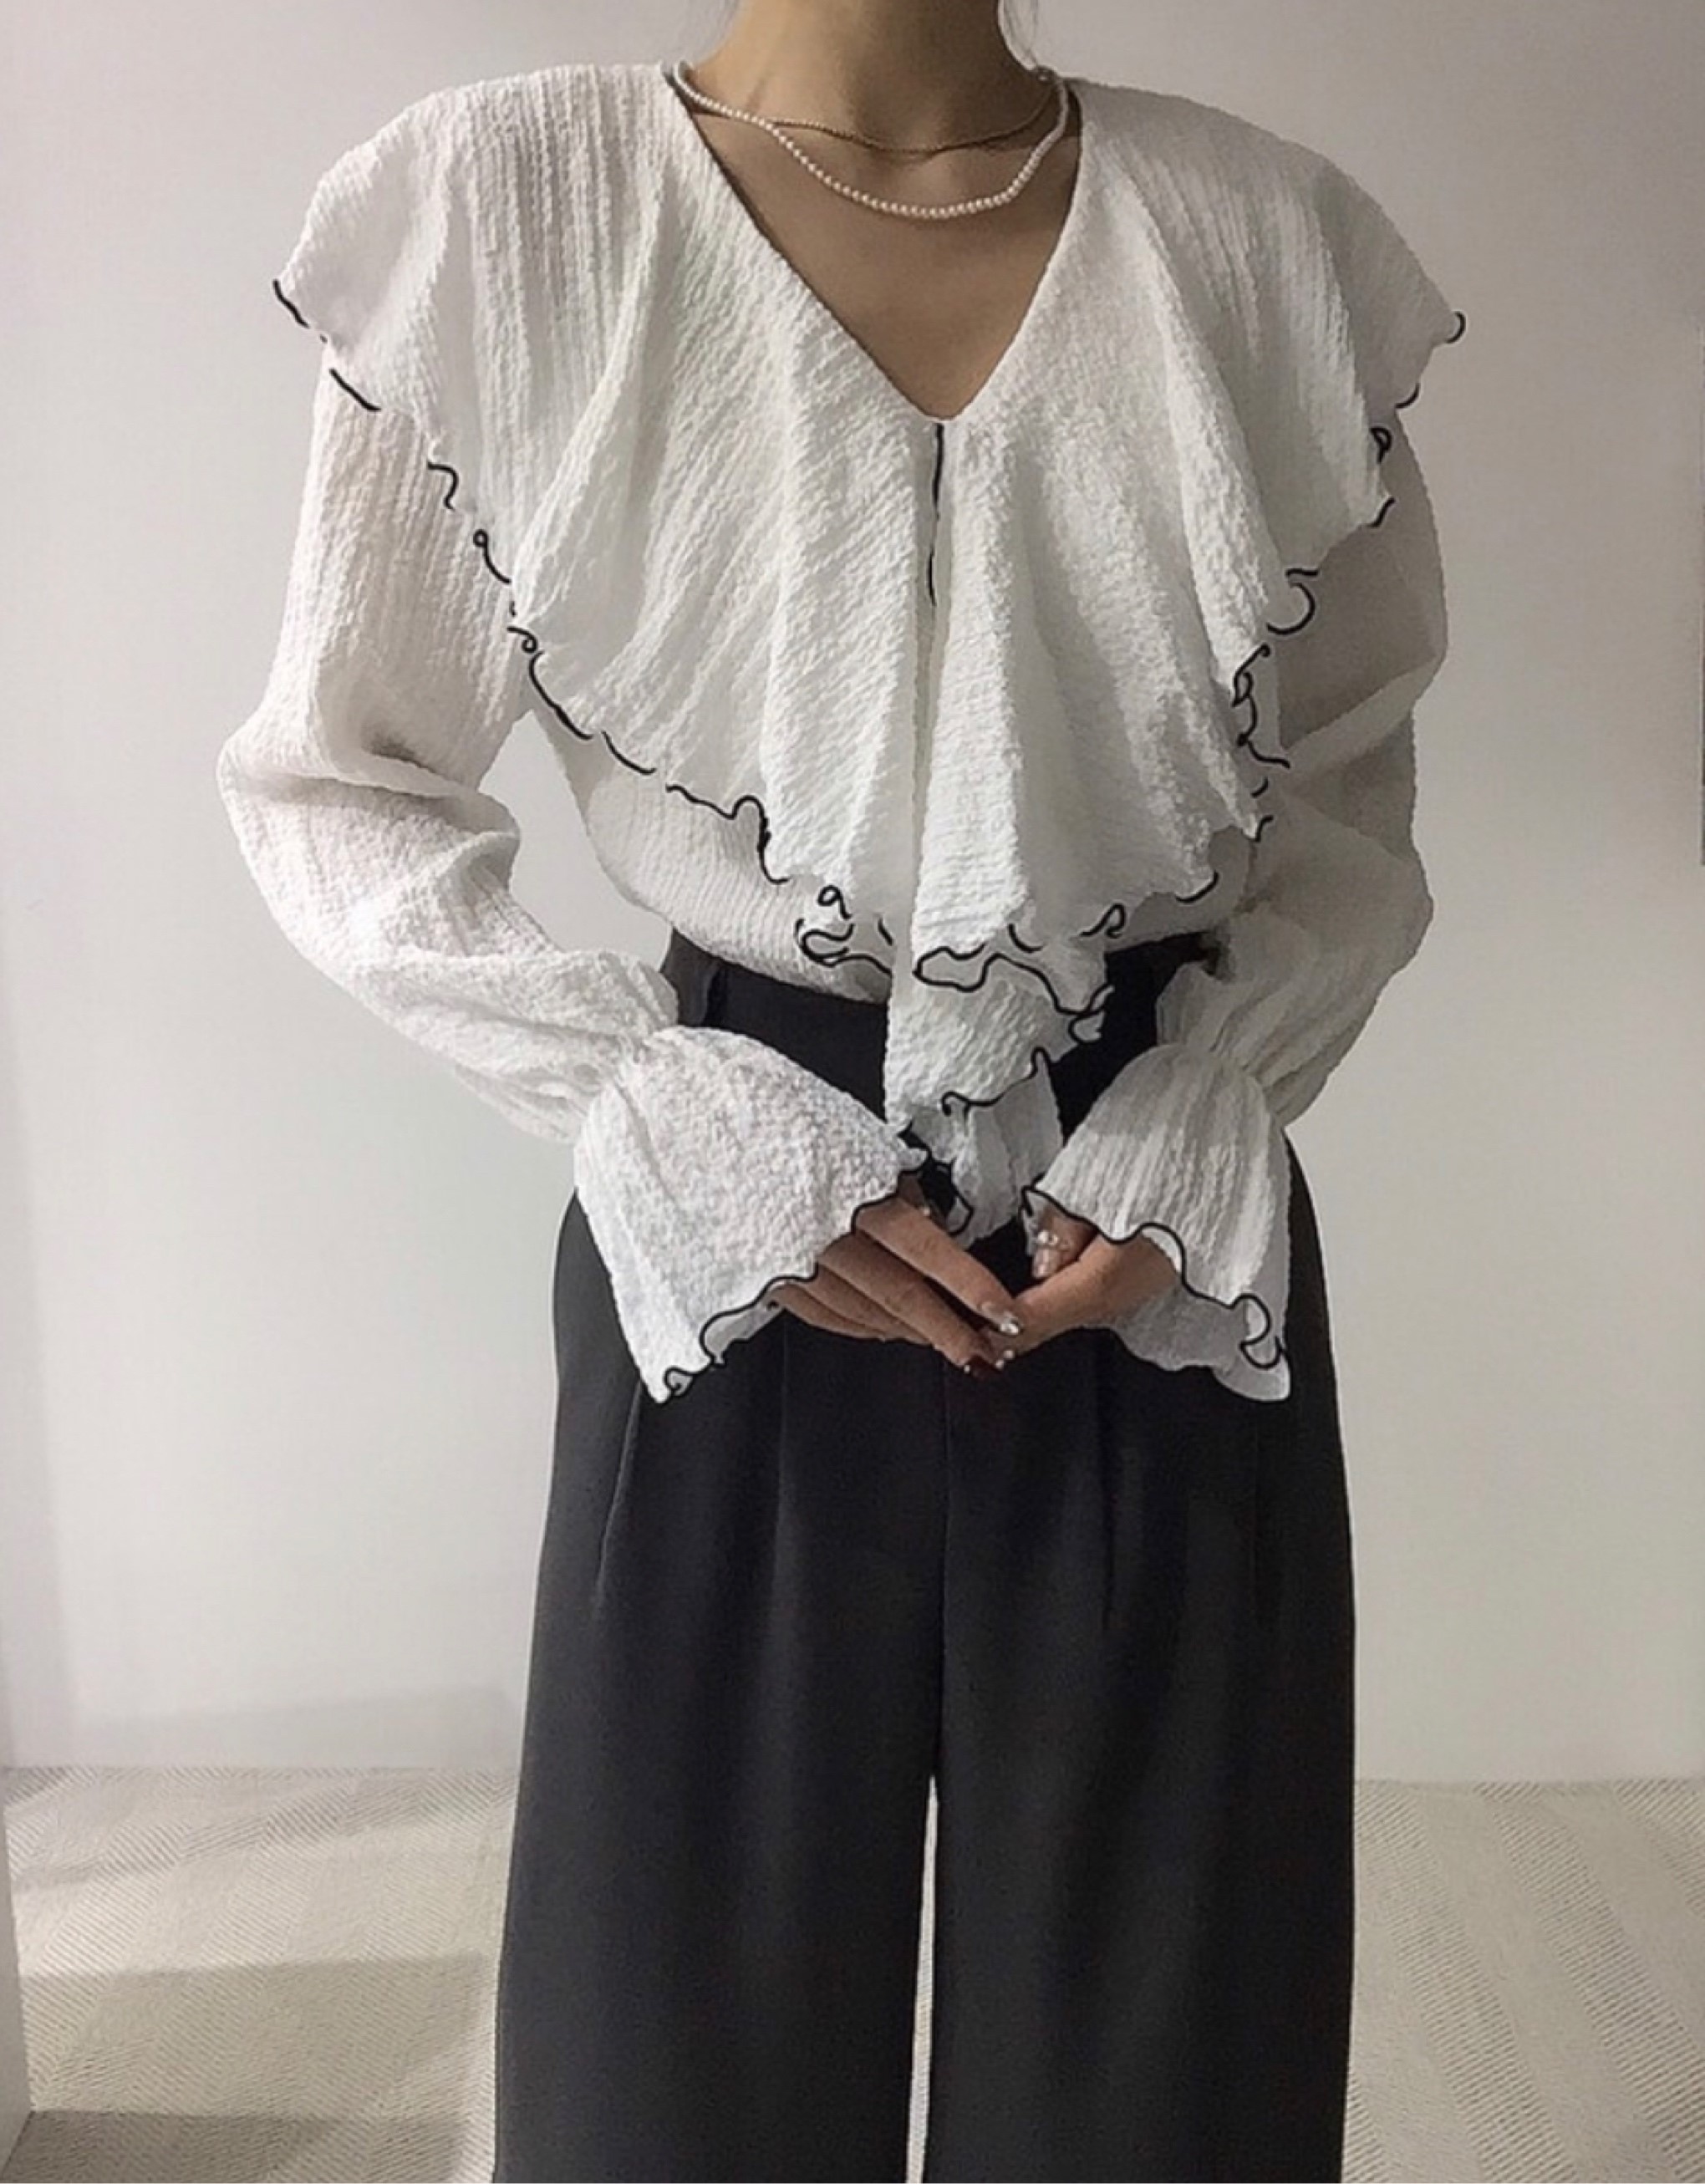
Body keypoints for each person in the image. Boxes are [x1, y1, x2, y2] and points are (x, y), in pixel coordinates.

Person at [216, 3, 1465, 2176]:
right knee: (672, 2046)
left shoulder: (1264, 245)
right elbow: (342, 781)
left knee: (1166, 2047)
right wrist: (645, 1102)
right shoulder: (509, 211)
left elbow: (1347, 799)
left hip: (1148, 1216)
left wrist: (1219, 1095)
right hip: (734, 1196)